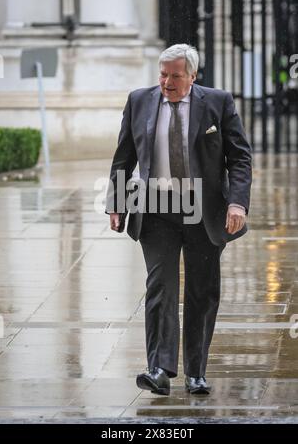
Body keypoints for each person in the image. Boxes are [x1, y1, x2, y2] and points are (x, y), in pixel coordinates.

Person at [105, 44, 252, 396]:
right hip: (154, 208)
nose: (166, 82)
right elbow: (123, 158)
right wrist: (116, 203)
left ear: (193, 76)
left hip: (204, 210)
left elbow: (240, 158)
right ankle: (159, 369)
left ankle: (196, 372)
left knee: (202, 290)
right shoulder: (140, 100)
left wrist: (237, 204)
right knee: (160, 287)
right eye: (163, 74)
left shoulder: (218, 102)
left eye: (175, 75)